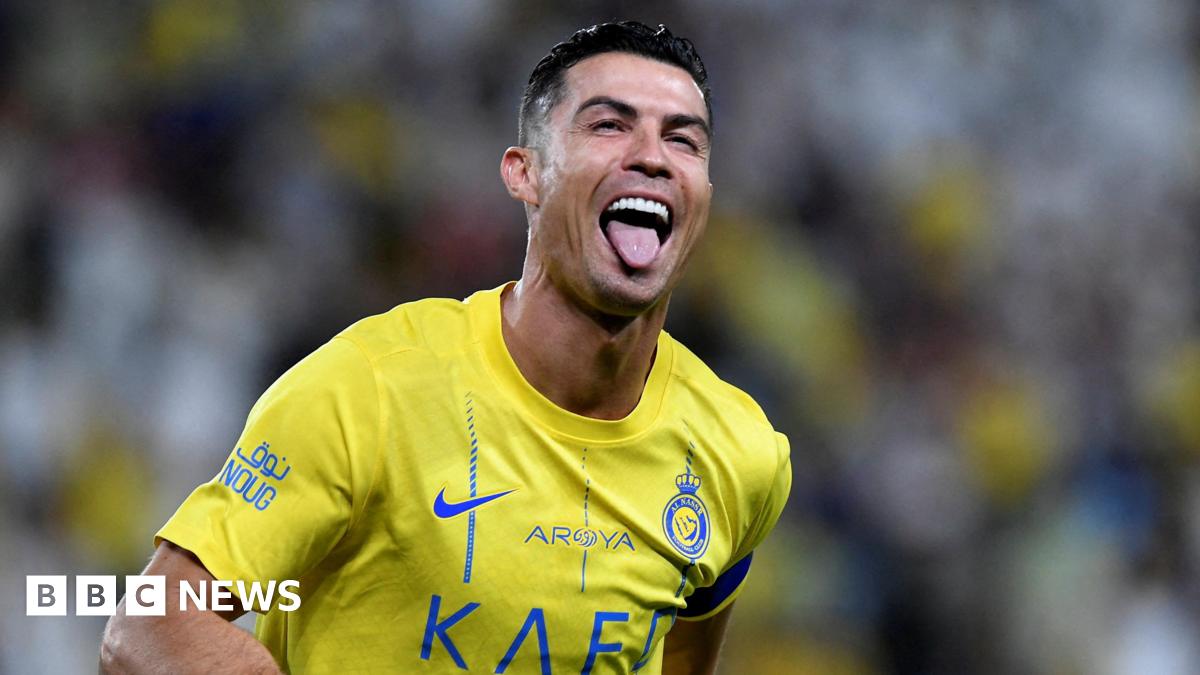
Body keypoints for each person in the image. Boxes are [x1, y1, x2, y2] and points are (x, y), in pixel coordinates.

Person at [100, 21, 791, 674]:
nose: (650, 156)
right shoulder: (369, 387)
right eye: (609, 125)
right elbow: (150, 623)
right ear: (525, 173)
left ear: (704, 192)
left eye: (684, 140)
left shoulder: (740, 454)